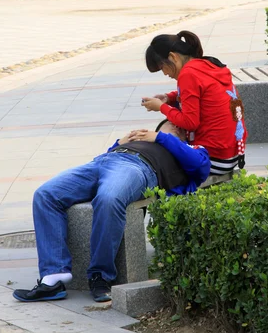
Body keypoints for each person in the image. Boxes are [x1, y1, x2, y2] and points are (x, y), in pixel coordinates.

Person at [12, 121, 210, 304]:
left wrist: (161, 138)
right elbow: (111, 152)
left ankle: (100, 275)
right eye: (170, 124)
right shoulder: (139, 139)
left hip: (138, 167)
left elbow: (201, 167)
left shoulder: (189, 149)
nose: (176, 127)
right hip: (103, 161)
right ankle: (53, 277)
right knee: (45, 194)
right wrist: (119, 142)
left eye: (180, 128)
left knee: (108, 199)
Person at [141, 30, 247, 175]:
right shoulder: (206, 64)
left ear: (173, 57)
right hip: (233, 154)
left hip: (214, 159)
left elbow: (190, 122)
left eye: (162, 67)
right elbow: (204, 93)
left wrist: (162, 107)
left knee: (158, 157)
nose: (165, 73)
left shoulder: (188, 74)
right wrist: (169, 98)